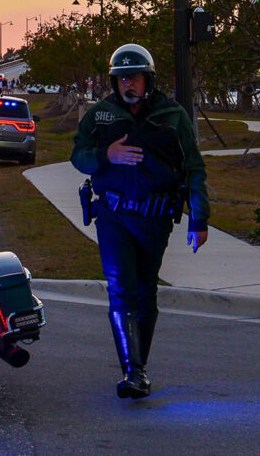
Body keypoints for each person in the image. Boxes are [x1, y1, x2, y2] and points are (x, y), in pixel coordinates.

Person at [71, 43, 209, 400]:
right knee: (120, 288)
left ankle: (140, 367)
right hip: (113, 216)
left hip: (154, 218)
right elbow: (79, 156)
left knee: (145, 290)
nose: (127, 85)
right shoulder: (100, 115)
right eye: (121, 79)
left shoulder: (172, 115)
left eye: (134, 78)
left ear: (148, 79)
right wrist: (107, 154)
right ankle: (132, 372)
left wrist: (199, 218)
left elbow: (194, 168)